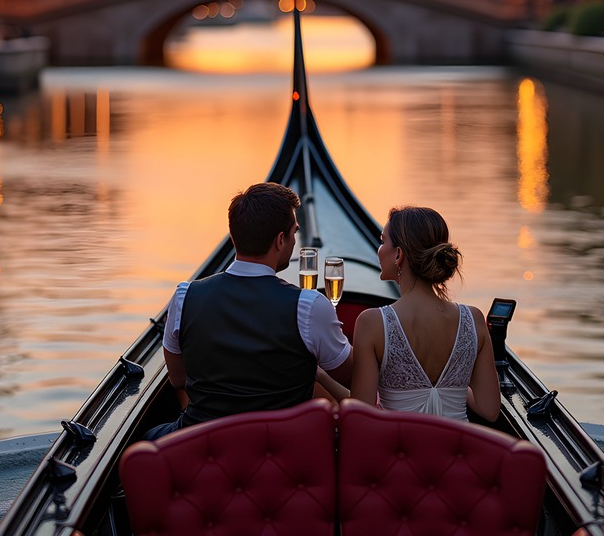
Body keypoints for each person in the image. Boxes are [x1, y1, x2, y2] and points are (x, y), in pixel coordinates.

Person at [145, 182, 353, 439]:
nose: (294, 240)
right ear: (280, 240)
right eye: (294, 233)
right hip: (281, 449)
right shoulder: (309, 306)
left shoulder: (185, 296)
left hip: (202, 441)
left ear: (235, 235)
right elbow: (353, 377)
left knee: (147, 439)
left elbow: (178, 379)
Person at [346, 206, 500, 421]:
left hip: (398, 453)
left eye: (383, 241)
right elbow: (490, 410)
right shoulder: (473, 319)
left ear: (398, 254)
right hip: (457, 452)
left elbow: (360, 417)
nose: (379, 249)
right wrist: (456, 384)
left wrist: (322, 378)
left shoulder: (372, 323)